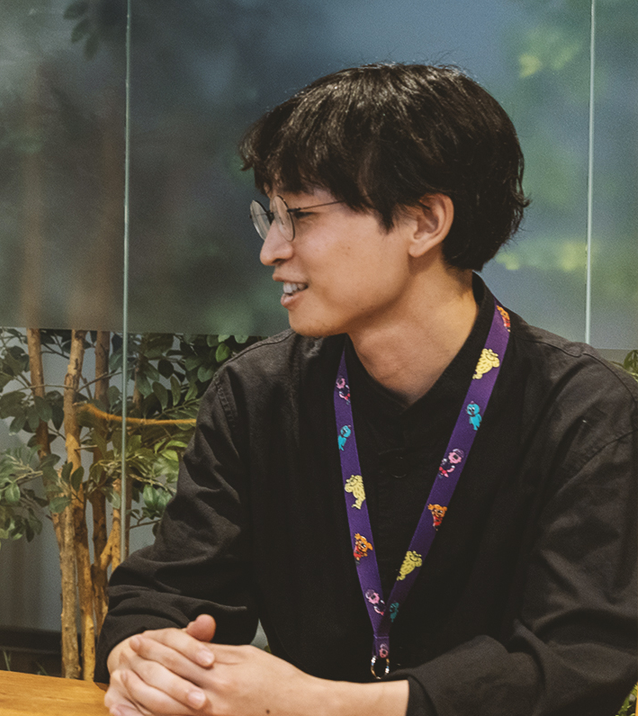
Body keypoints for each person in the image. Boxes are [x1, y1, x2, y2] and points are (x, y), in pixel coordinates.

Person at [98, 64, 636, 716]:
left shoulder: (584, 411)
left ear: (424, 221)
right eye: (270, 217)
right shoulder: (258, 393)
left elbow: (577, 664)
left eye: (299, 216)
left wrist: (322, 704)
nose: (271, 250)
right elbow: (169, 594)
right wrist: (143, 658)